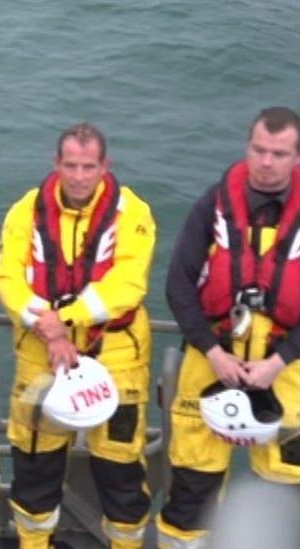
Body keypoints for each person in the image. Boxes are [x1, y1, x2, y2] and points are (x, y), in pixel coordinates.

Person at [0, 123, 156, 548]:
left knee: (121, 473)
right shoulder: (24, 212)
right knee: (34, 468)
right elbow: (8, 278)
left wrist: (63, 320)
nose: (80, 176)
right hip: (40, 355)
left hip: (118, 357)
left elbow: (127, 285)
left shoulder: (133, 214)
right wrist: (49, 331)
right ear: (56, 164)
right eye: (71, 165)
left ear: (105, 165)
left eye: (89, 166)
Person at [155, 106, 300, 548]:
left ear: (296, 157)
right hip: (211, 365)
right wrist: (213, 352)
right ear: (247, 148)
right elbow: (179, 284)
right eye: (259, 150)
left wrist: (279, 361)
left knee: (289, 492)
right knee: (189, 496)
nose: (266, 161)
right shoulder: (211, 206)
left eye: (279, 153)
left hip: (286, 374)